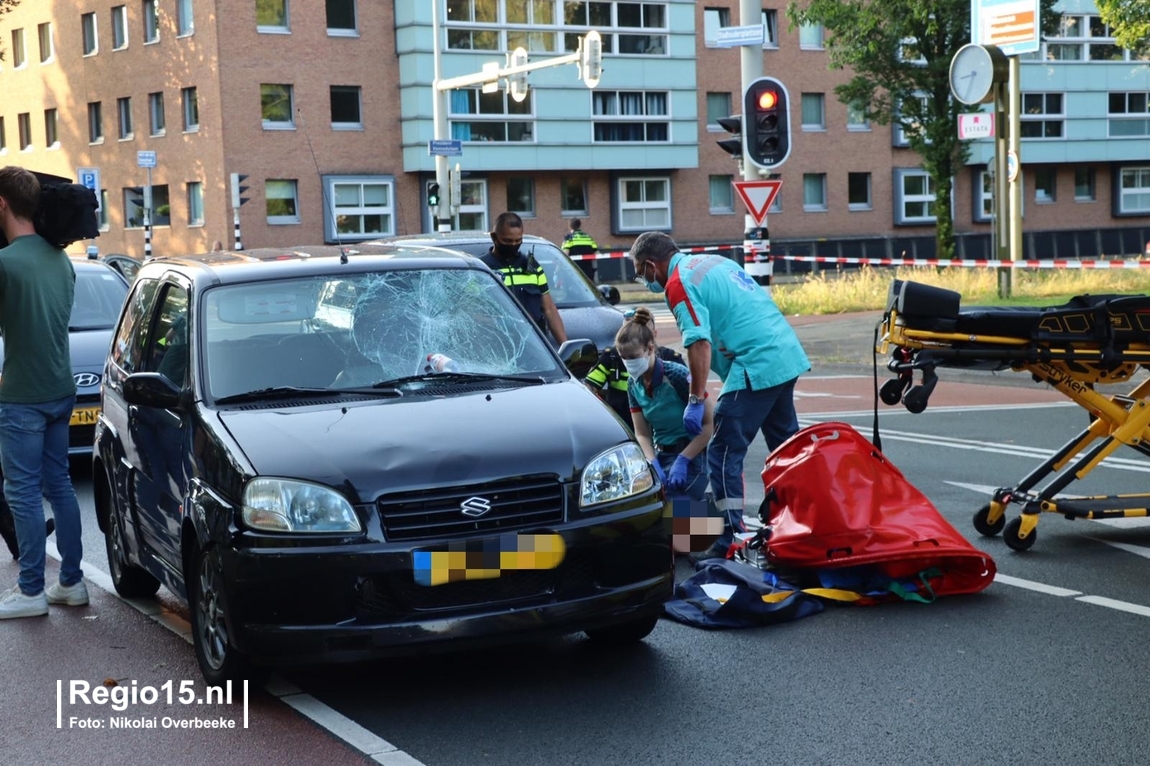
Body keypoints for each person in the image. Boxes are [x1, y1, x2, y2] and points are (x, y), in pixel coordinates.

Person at [629, 231, 810, 564]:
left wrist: (696, 400)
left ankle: (729, 540)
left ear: (651, 265)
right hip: (783, 353)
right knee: (788, 449)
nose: (644, 280)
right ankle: (809, 521)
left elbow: (698, 342)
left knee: (724, 450)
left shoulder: (677, 283)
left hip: (754, 362)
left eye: (641, 273)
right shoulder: (711, 261)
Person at [0, 166, 88, 618]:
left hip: (21, 395)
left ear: (2, 205)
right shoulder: (62, 260)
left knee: (23, 493)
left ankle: (31, 590)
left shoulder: (5, 263)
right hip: (61, 387)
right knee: (60, 485)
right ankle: (72, 583)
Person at [615, 307, 719, 554]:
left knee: (673, 523)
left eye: (633, 356)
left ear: (650, 349)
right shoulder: (634, 384)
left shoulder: (678, 375)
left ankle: (706, 517)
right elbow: (641, 432)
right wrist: (652, 463)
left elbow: (708, 426)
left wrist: (684, 459)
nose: (629, 363)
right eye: (623, 357)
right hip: (663, 456)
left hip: (692, 456)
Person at [584, 308, 684, 430]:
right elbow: (589, 388)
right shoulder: (612, 358)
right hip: (623, 427)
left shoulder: (673, 363)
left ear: (653, 336)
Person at [481, 212, 567, 345]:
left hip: (535, 348)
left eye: (518, 241)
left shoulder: (532, 267)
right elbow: (469, 312)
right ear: (494, 237)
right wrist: (500, 321)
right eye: (507, 241)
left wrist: (566, 346)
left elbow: (549, 309)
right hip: (497, 349)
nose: (513, 245)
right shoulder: (482, 269)